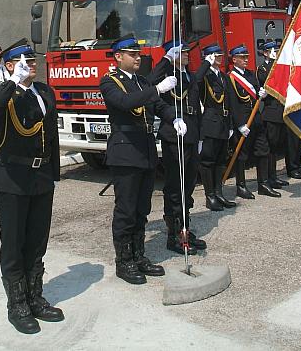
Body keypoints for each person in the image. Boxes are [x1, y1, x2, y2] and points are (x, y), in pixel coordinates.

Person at [0, 41, 64, 334]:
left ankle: (35, 297)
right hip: (13, 177)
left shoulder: (44, 91)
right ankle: (16, 304)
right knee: (14, 243)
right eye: (24, 60)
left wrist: (53, 174)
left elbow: (51, 135)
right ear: (9, 65)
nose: (32, 64)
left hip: (41, 176)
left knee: (37, 241)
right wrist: (13, 80)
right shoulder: (1, 91)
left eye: (33, 59)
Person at [100, 37, 186, 285]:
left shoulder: (141, 81)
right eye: (131, 54)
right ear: (118, 57)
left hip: (146, 151)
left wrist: (174, 118)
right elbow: (124, 103)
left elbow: (158, 106)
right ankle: (124, 260)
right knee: (126, 210)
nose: (138, 58)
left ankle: (139, 255)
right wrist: (158, 89)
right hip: (126, 152)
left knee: (142, 209)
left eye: (138, 54)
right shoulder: (110, 81)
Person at [148, 39, 207, 255]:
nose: (187, 55)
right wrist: (165, 60)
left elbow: (196, 106)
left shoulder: (188, 74)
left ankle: (185, 227)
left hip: (190, 133)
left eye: (187, 51)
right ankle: (174, 235)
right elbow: (149, 85)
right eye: (181, 52)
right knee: (175, 186)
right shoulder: (166, 74)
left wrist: (199, 136)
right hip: (174, 135)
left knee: (189, 185)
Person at [227, 44, 280, 198]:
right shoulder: (230, 77)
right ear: (234, 59)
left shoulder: (251, 75)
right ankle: (241, 186)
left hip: (256, 119)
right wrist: (239, 124)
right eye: (242, 57)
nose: (246, 60)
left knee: (263, 150)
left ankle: (263, 183)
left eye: (247, 57)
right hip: (244, 122)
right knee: (242, 155)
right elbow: (232, 103)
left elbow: (256, 94)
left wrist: (261, 94)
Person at [197, 44, 237, 211]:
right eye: (215, 55)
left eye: (220, 55)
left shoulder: (222, 76)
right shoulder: (204, 76)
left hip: (223, 123)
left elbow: (229, 100)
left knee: (221, 160)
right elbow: (196, 82)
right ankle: (210, 196)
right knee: (208, 160)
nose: (219, 58)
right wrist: (205, 64)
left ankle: (219, 193)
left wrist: (231, 125)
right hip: (210, 122)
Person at [257, 41, 289, 188]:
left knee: (276, 147)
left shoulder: (278, 67)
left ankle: (274, 176)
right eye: (271, 51)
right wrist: (275, 64)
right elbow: (269, 81)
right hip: (270, 111)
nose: (275, 53)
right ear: (265, 53)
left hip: (280, 110)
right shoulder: (262, 68)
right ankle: (269, 177)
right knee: (269, 147)